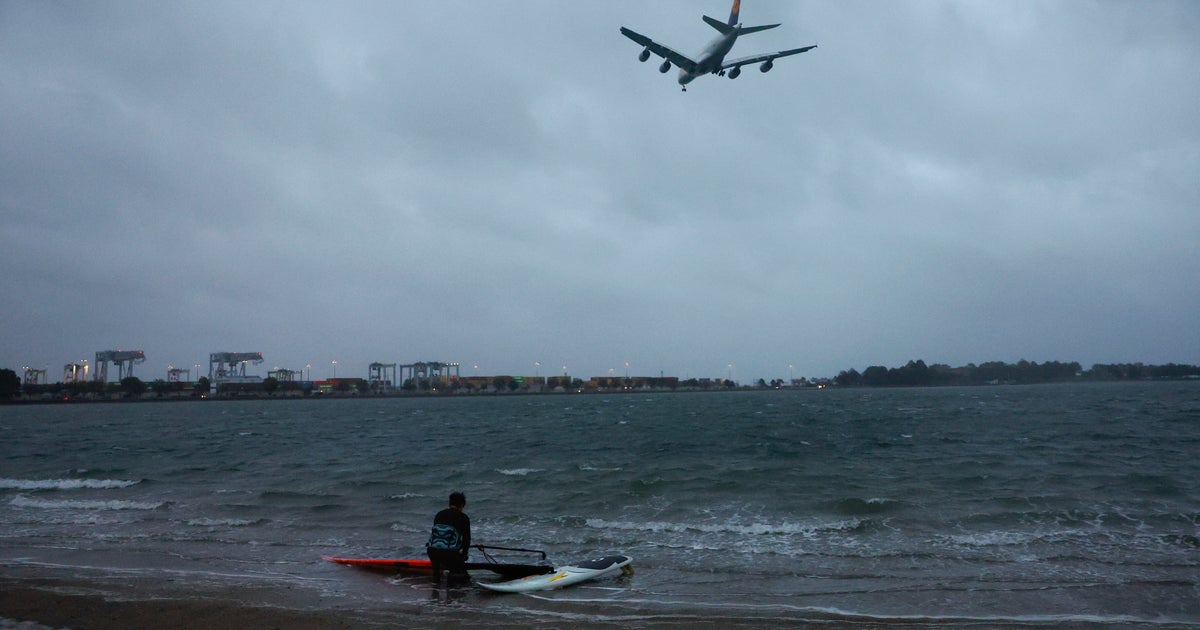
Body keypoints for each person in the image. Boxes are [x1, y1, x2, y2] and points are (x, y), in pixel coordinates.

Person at [426, 491, 471, 585]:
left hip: (432, 551)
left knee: (437, 576)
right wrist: (464, 555)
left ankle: (435, 592)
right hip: (449, 554)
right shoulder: (463, 518)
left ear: (450, 503)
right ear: (462, 505)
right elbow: (467, 540)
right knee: (464, 577)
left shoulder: (439, 514)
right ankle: (452, 594)